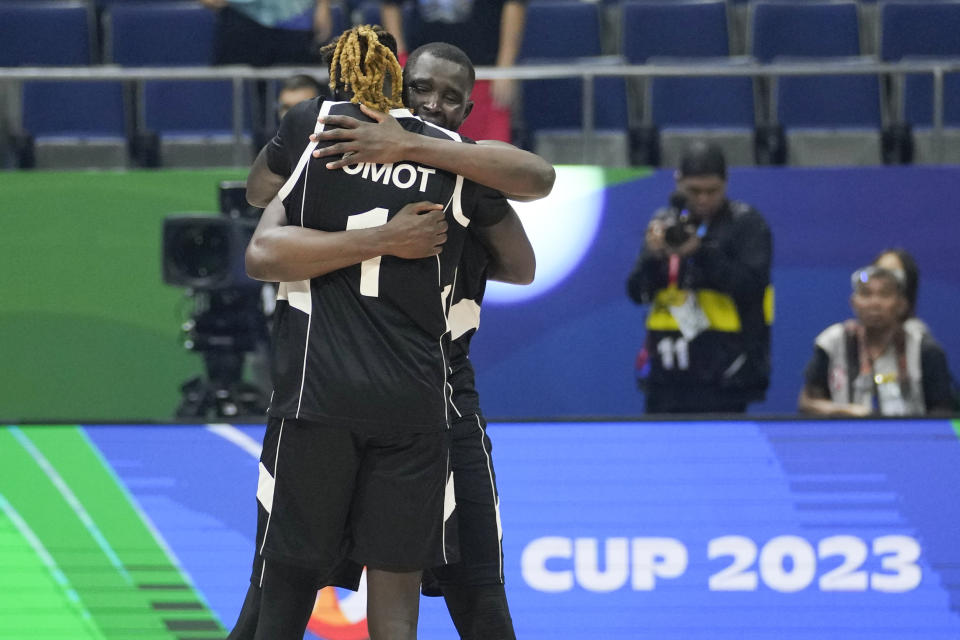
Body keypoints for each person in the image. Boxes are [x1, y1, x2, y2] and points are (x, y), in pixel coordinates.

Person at [231, 26, 552, 640]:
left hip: (408, 396)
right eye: (422, 89)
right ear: (397, 85)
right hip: (382, 393)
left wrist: (412, 145)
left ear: (466, 107)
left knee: (466, 585)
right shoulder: (457, 170)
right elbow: (523, 252)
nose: (434, 104)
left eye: (451, 98)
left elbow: (258, 205)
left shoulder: (360, 138)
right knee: (289, 584)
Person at [626, 141, 773, 414]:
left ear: (726, 183)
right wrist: (653, 257)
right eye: (694, 191)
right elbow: (637, 292)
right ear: (677, 182)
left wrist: (701, 252)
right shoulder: (664, 223)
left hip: (726, 376)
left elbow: (752, 286)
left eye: (712, 191)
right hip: (667, 374)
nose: (703, 199)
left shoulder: (746, 224)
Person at [798, 264, 955, 416]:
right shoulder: (832, 342)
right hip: (847, 438)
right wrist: (846, 411)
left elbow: (943, 413)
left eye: (885, 294)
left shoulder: (923, 348)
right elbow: (807, 403)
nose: (875, 303)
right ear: (853, 303)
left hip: (910, 439)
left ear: (902, 304)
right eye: (866, 294)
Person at [380, 0, 526, 142]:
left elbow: (514, 4)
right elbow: (391, 5)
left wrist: (505, 67)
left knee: (489, 152)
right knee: (425, 148)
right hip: (424, 70)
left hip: (484, 71)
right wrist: (400, 58)